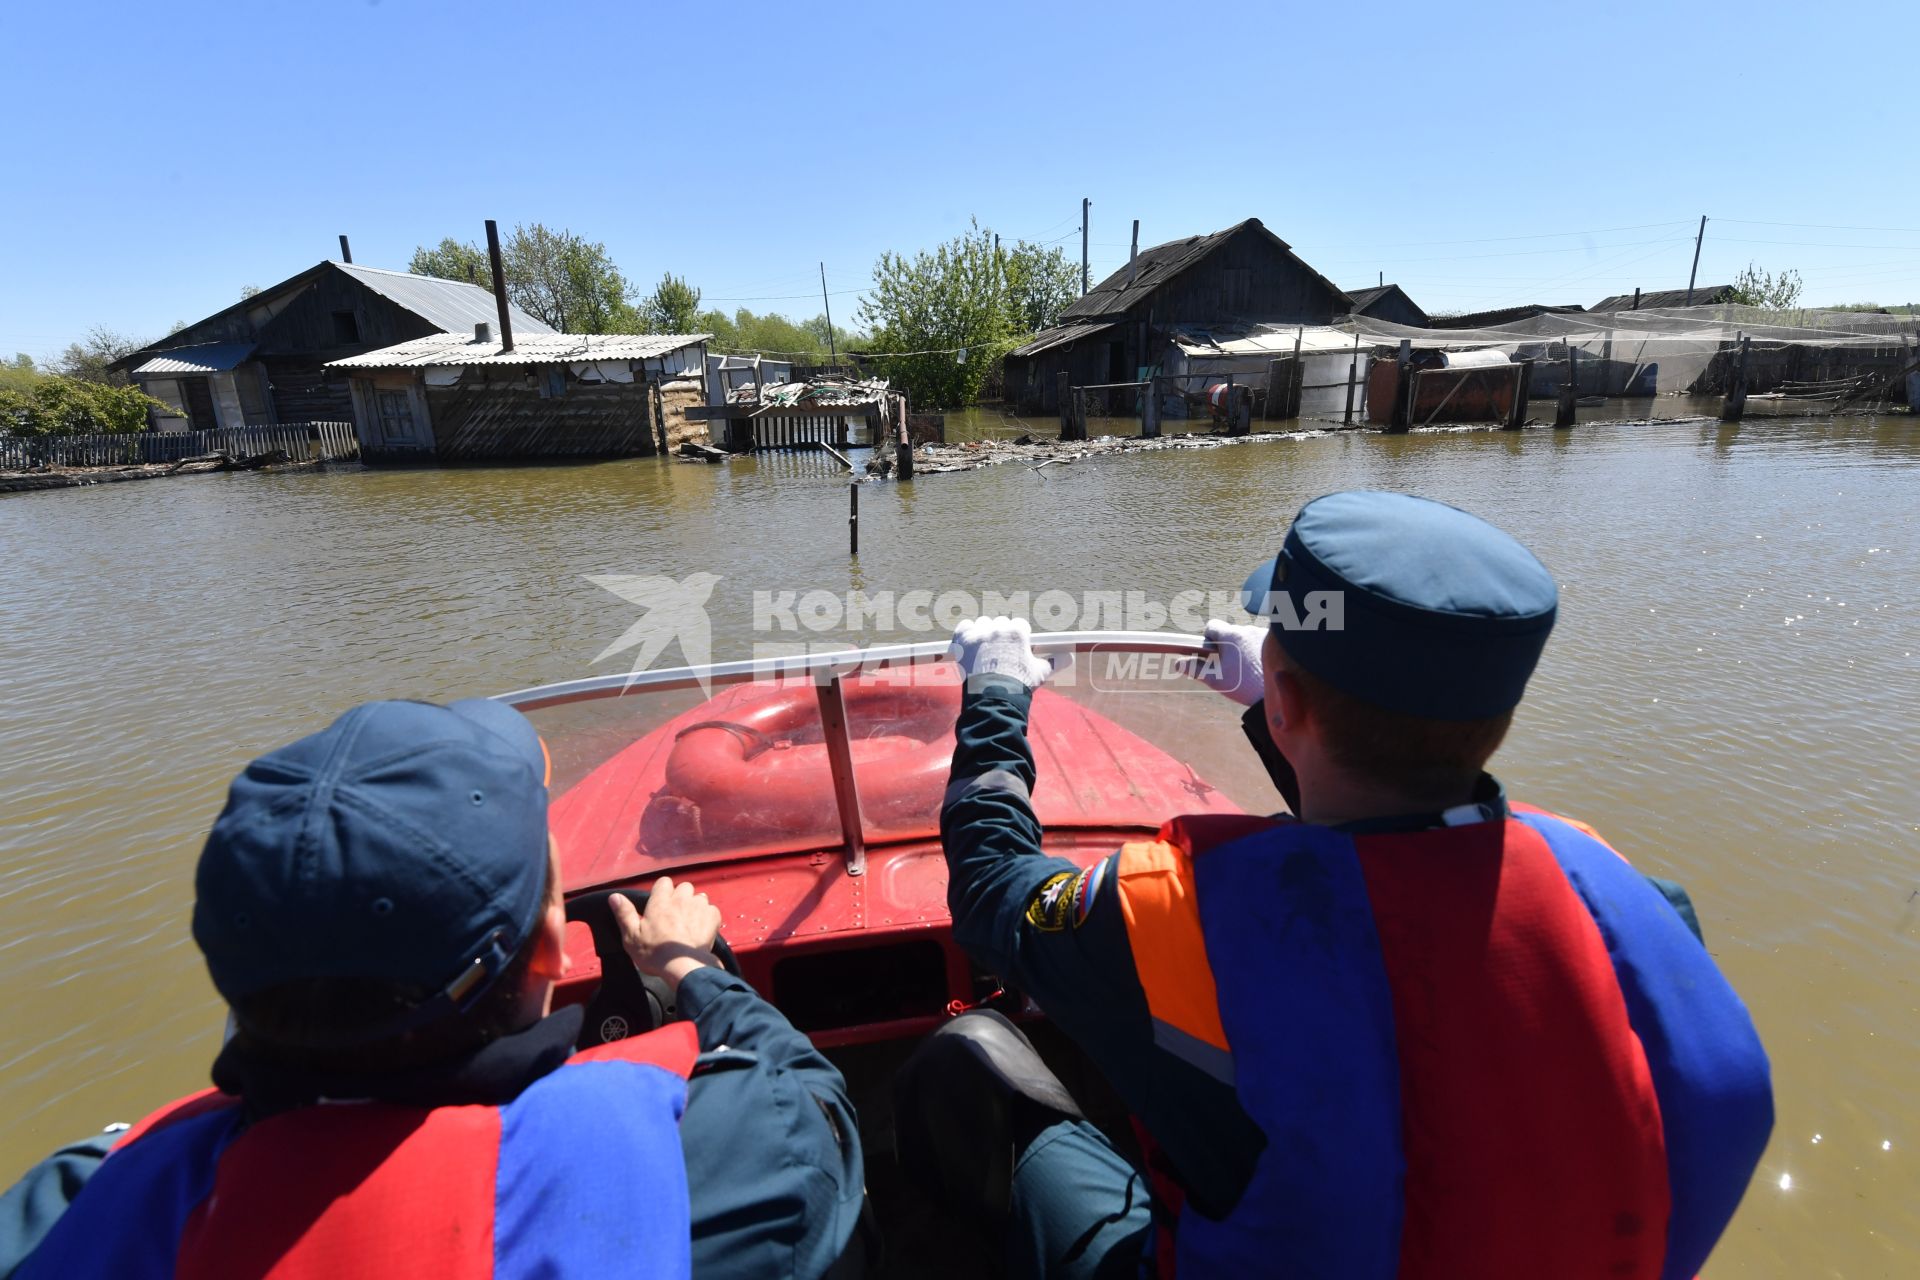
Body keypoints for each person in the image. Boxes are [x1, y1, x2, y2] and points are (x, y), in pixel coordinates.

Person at [904, 490, 1774, 1279]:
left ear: (1287, 698)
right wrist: (1281, 718)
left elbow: (989, 893)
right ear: (1497, 718)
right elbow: (1402, 853)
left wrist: (995, 695)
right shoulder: (1633, 901)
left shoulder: (1182, 911)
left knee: (974, 1061)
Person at [0, 698, 863, 1279]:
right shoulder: (712, 1149)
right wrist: (685, 966)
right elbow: (815, 1105)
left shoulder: (72, 1204)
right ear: (553, 949)